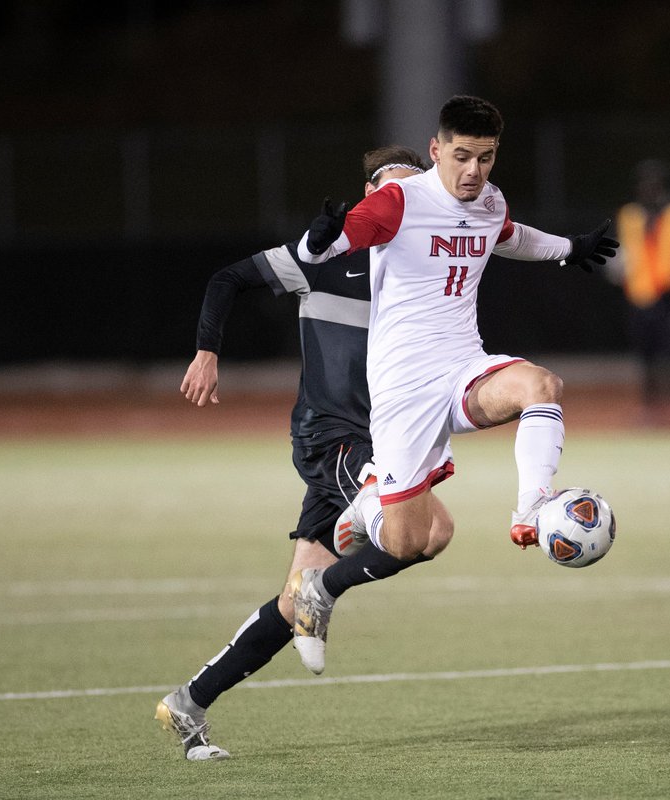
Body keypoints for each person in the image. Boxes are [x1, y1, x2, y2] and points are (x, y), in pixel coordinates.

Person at [288, 94, 618, 675]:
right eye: (462, 157)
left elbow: (509, 234)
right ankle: (324, 584)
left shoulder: (488, 200)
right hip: (403, 392)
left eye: (486, 158)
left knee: (540, 385)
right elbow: (339, 240)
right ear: (436, 151)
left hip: (463, 366)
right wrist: (320, 240)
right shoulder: (399, 201)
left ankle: (531, 510)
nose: (473, 172)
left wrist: (571, 250)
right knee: (411, 541)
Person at [154, 145, 430, 761]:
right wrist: (206, 350)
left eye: (416, 190)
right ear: (369, 196)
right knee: (421, 529)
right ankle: (321, 594)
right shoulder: (327, 255)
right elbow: (228, 278)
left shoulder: (427, 273)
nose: (403, 201)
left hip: (374, 442)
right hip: (331, 436)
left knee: (291, 598)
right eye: (391, 189)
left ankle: (188, 703)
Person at [610, 159, 670, 422]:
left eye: (654, 183)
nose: (649, 188)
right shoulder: (629, 215)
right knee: (645, 354)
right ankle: (649, 407)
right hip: (639, 296)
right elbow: (620, 253)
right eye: (644, 183)